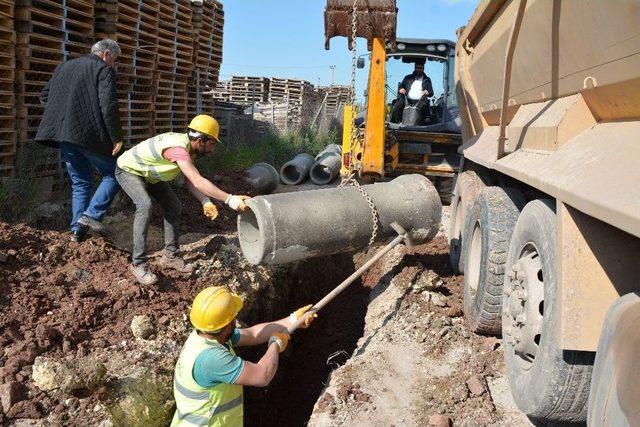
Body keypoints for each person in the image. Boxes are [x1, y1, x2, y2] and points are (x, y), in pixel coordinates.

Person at [115, 114, 249, 285]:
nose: (212, 149)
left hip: (148, 175)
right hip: (129, 170)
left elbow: (190, 180)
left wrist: (205, 201)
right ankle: (138, 264)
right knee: (145, 205)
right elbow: (198, 180)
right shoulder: (178, 150)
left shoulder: (188, 150)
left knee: (173, 205)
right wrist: (230, 199)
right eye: (212, 143)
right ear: (200, 140)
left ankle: (170, 256)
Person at [171, 286, 317, 426]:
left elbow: (253, 334)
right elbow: (263, 375)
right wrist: (275, 345)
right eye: (234, 316)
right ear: (228, 326)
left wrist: (293, 321)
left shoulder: (206, 337)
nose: (236, 318)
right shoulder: (212, 359)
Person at [36, 39, 124, 242]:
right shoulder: (103, 70)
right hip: (88, 136)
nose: (113, 64)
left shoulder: (64, 66)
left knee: (80, 182)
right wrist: (116, 137)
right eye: (114, 59)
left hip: (64, 135)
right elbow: (108, 105)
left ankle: (77, 230)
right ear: (106, 54)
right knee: (116, 172)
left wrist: (64, 113)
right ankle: (91, 216)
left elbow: (44, 96)